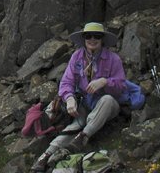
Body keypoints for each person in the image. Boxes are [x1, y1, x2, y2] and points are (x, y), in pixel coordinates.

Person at [31, 22, 126, 172]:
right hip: (84, 104)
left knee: (107, 101)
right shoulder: (77, 57)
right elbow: (66, 82)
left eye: (97, 36)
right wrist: (69, 99)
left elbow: (121, 86)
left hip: (106, 105)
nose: (92, 39)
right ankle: (45, 156)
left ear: (103, 39)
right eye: (88, 36)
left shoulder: (113, 59)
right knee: (74, 125)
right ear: (84, 39)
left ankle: (84, 136)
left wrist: (105, 82)